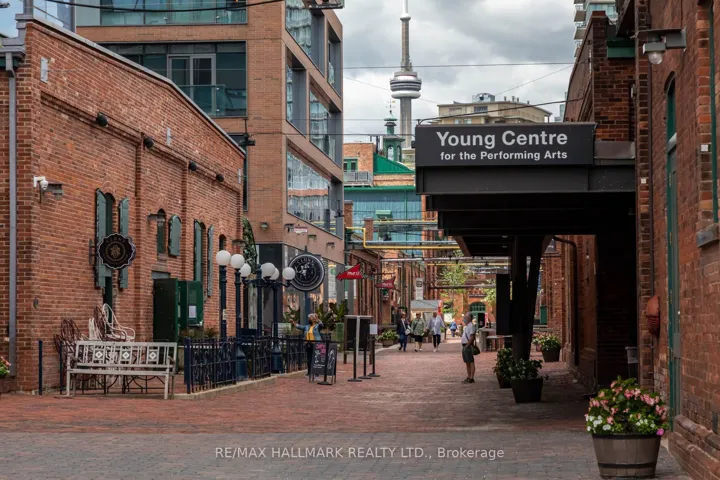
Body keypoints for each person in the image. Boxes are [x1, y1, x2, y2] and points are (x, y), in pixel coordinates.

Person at [292, 313, 323, 379]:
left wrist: (318, 319)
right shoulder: (307, 327)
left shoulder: (317, 326)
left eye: (310, 318)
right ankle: (309, 372)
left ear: (314, 319)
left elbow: (322, 325)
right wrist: (293, 323)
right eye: (308, 318)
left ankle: (316, 373)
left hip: (316, 344)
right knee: (309, 359)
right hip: (308, 344)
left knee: (316, 359)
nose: (309, 319)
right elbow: (299, 327)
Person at [461, 313, 477, 383]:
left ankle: (471, 378)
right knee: (467, 362)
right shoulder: (467, 326)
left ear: (470, 318)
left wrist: (467, 346)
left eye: (466, 316)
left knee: (470, 362)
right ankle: (468, 376)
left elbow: (472, 337)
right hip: (465, 346)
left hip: (467, 346)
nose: (464, 318)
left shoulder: (471, 326)